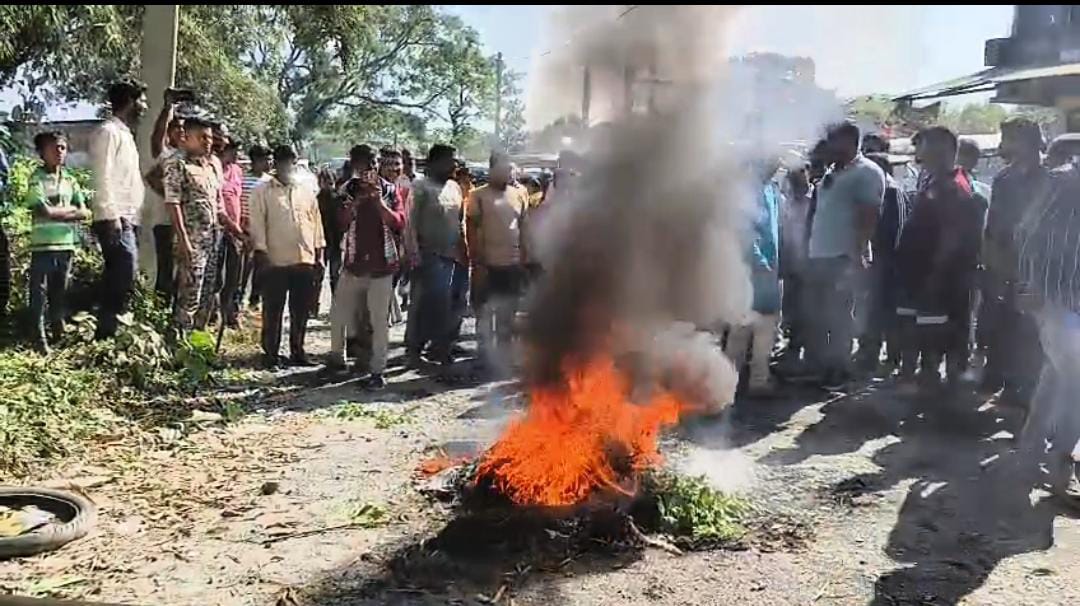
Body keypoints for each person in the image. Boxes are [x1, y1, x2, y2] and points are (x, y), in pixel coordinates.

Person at [894, 127, 983, 390]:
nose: (918, 153)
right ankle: (931, 381)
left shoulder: (951, 186)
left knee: (937, 332)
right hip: (929, 276)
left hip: (940, 280)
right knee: (929, 330)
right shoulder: (936, 181)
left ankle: (936, 391)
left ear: (939, 150)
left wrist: (933, 278)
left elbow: (951, 238)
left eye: (922, 147)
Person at [803, 122, 885, 388]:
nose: (828, 146)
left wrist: (858, 255)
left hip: (843, 258)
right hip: (821, 255)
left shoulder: (866, 173)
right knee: (820, 315)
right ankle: (821, 367)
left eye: (833, 141)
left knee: (839, 317)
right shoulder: (833, 172)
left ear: (849, 143)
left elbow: (869, 216)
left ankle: (838, 372)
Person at [979, 118, 1048, 403]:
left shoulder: (1052, 178)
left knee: (1034, 333)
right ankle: (1007, 384)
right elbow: (993, 225)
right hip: (1006, 266)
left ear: (1027, 142)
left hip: (1041, 269)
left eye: (1008, 139)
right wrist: (991, 262)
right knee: (1003, 326)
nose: (1002, 145)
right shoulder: (1004, 178)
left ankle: (1031, 393)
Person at [327, 146, 406, 389]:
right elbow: (340, 222)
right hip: (353, 265)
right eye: (362, 164)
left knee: (379, 321)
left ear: (377, 163)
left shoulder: (391, 190)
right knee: (339, 315)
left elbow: (399, 222)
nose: (367, 168)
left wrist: (379, 201)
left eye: (371, 163)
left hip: (381, 267)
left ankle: (377, 371)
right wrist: (357, 201)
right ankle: (337, 361)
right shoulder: (349, 188)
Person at [248, 145, 325, 368]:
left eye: (289, 161)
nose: (285, 165)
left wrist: (318, 253)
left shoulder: (305, 190)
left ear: (294, 162)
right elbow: (257, 223)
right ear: (275, 164)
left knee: (300, 310)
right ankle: (271, 354)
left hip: (304, 259)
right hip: (274, 261)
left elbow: (316, 223)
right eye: (280, 161)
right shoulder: (262, 190)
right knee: (273, 310)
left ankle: (298, 352)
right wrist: (261, 252)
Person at [90, 78, 147, 339]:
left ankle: (110, 329)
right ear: (130, 101)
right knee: (124, 272)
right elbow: (101, 176)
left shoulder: (125, 133)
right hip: (115, 218)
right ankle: (106, 331)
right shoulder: (108, 132)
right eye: (141, 100)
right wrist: (110, 215)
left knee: (122, 275)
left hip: (128, 218)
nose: (144, 106)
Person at [25, 132, 90, 353]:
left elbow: (84, 211)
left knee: (60, 291)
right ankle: (38, 336)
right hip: (43, 246)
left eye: (62, 147)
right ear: (42, 153)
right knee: (39, 293)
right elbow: (43, 210)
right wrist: (69, 211)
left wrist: (60, 212)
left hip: (66, 245)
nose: (59, 152)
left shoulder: (71, 180)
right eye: (53, 148)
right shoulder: (36, 178)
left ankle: (58, 332)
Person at [465, 152, 530, 371]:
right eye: (505, 169)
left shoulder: (520, 194)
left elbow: (523, 227)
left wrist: (524, 256)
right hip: (486, 265)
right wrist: (478, 261)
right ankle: (483, 356)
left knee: (507, 313)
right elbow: (471, 229)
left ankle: (503, 356)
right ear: (492, 169)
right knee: (484, 312)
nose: (509, 173)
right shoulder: (477, 196)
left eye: (511, 169)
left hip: (511, 265)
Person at [406, 144, 466, 367]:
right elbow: (410, 223)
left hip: (454, 255)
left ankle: (441, 347)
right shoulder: (420, 186)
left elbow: (460, 221)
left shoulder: (454, 187)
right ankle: (414, 350)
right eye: (451, 160)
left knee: (453, 303)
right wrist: (413, 253)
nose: (455, 165)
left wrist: (464, 250)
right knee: (426, 304)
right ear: (437, 162)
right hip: (428, 255)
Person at [726, 160, 782, 395]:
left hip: (769, 268)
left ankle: (750, 380)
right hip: (754, 269)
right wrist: (759, 261)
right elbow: (743, 232)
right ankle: (737, 381)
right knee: (749, 326)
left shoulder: (770, 189)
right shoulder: (748, 191)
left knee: (759, 326)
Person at [163, 115, 222, 336]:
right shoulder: (177, 163)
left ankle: (199, 347)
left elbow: (218, 204)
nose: (208, 142)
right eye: (202, 137)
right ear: (187, 137)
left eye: (209, 138)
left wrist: (237, 233)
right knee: (190, 295)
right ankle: (180, 345)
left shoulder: (212, 165)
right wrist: (184, 241)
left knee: (207, 294)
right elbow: (173, 203)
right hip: (191, 241)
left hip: (212, 239)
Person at [856, 153, 909, 373]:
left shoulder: (892, 191)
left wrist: (881, 262)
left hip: (887, 262)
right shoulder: (879, 190)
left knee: (884, 311)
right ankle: (870, 353)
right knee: (873, 310)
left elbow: (896, 231)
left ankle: (888, 357)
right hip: (877, 260)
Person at [208, 136, 246, 327]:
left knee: (235, 275)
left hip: (236, 231)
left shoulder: (237, 171)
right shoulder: (214, 170)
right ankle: (213, 314)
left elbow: (241, 199)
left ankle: (230, 313)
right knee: (216, 277)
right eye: (233, 150)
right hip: (217, 229)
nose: (236, 154)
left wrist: (242, 227)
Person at [777, 165, 812, 370]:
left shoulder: (815, 200)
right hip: (791, 263)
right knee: (790, 308)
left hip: (808, 264)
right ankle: (792, 345)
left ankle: (805, 350)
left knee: (807, 309)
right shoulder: (786, 203)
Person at [239, 145, 273, 309]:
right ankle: (238, 299)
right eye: (266, 159)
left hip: (265, 231)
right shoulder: (243, 180)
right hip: (245, 230)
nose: (269, 163)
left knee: (262, 267)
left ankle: (255, 299)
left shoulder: (270, 182)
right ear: (257, 161)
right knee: (245, 266)